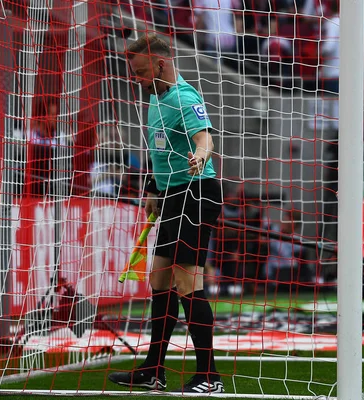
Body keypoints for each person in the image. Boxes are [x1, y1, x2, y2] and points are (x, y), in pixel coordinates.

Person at [107, 33, 224, 393]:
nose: (136, 80)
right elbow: (162, 154)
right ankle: (154, 369)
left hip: (197, 193)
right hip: (171, 195)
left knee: (188, 282)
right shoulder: (154, 100)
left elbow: (205, 138)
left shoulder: (184, 97)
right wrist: (154, 191)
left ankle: (209, 377)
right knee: (159, 280)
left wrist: (200, 155)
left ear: (160, 64)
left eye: (141, 72)